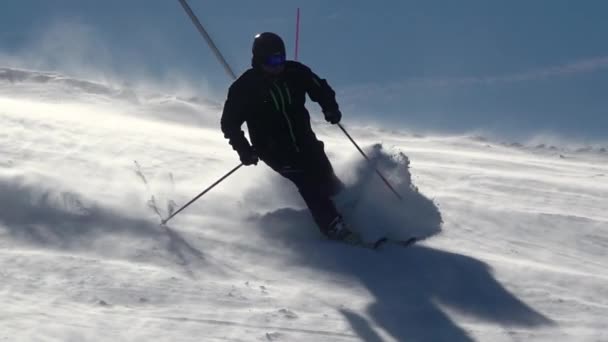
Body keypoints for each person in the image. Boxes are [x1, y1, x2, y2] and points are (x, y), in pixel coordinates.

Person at [221, 32, 361, 244]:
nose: (278, 65)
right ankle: (332, 225)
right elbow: (229, 124)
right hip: (273, 149)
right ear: (259, 60)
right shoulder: (244, 87)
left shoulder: (294, 72)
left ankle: (348, 209)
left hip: (305, 140)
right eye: (272, 60)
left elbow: (320, 88)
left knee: (325, 175)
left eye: (281, 59)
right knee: (307, 181)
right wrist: (244, 149)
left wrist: (330, 108)